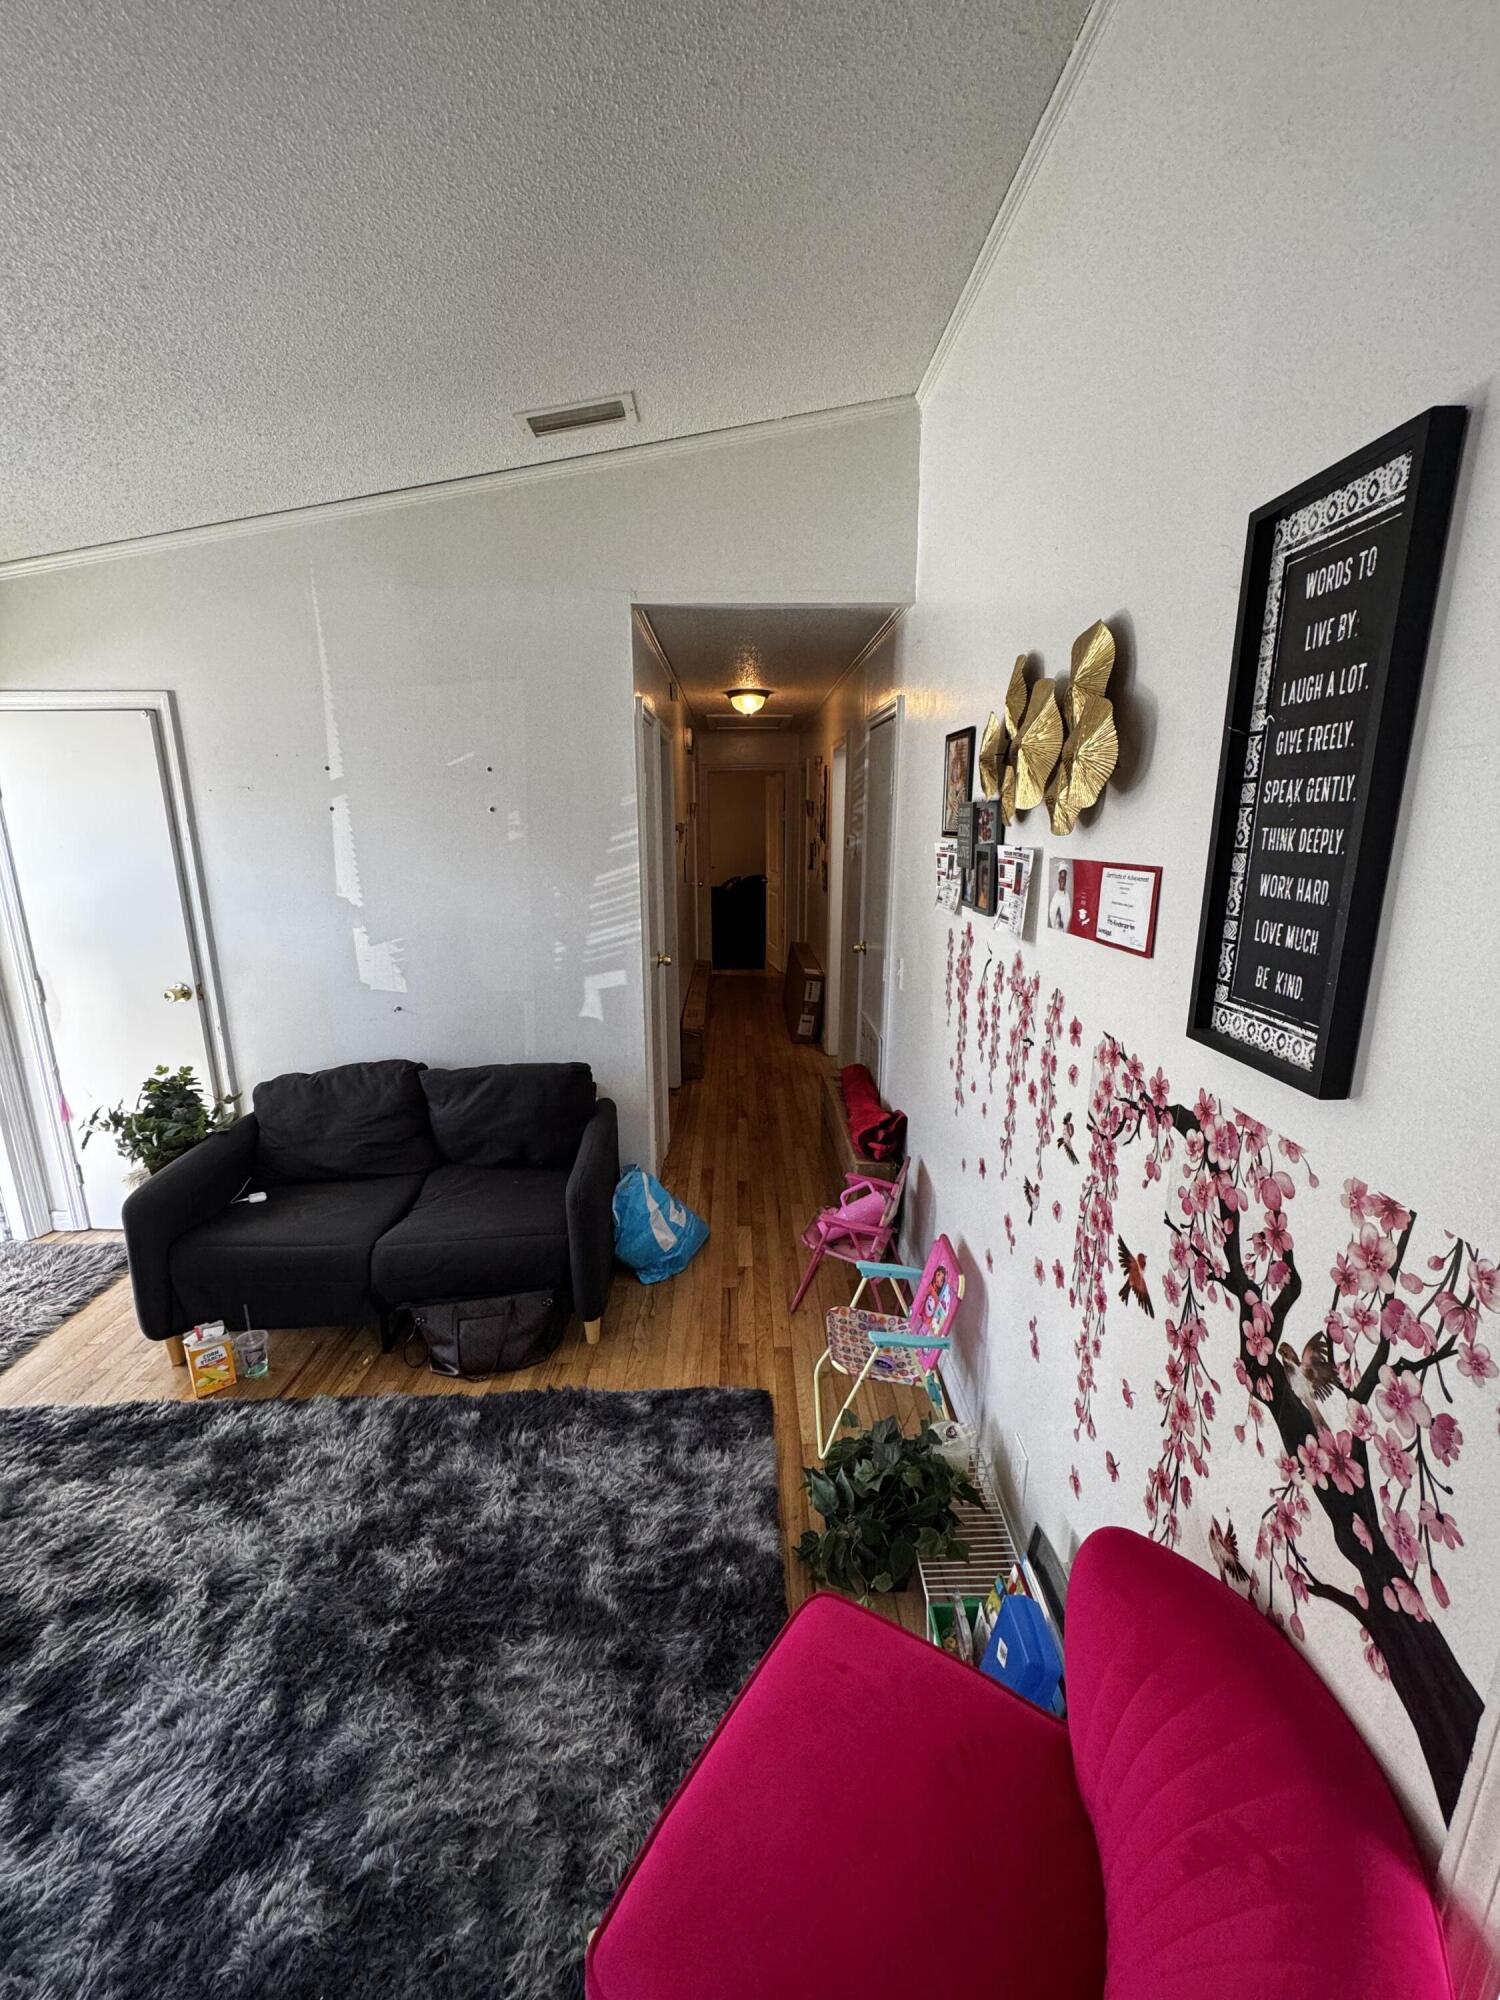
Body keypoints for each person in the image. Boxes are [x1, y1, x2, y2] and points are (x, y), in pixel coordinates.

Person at [1048, 863, 1072, 931]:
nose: (1062, 881)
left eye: (1064, 878)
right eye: (1061, 878)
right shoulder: (1055, 896)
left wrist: (1063, 921)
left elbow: (1068, 914)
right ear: (1058, 879)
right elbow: (1052, 912)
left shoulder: (1067, 896)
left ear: (1066, 880)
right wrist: (1057, 918)